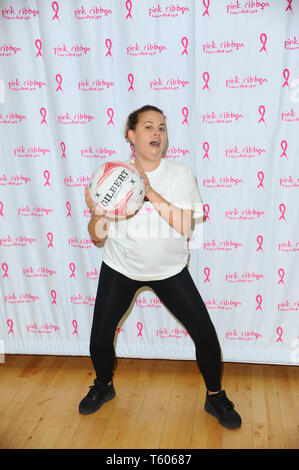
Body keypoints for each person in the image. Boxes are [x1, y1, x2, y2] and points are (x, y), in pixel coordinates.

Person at [79, 105, 242, 430]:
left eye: (162, 128)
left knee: (206, 336)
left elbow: (185, 226)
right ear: (131, 135)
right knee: (99, 338)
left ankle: (215, 396)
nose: (157, 133)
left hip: (169, 269)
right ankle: (103, 386)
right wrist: (99, 213)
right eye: (149, 126)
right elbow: (97, 238)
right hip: (120, 266)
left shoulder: (179, 173)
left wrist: (147, 190)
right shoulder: (111, 175)